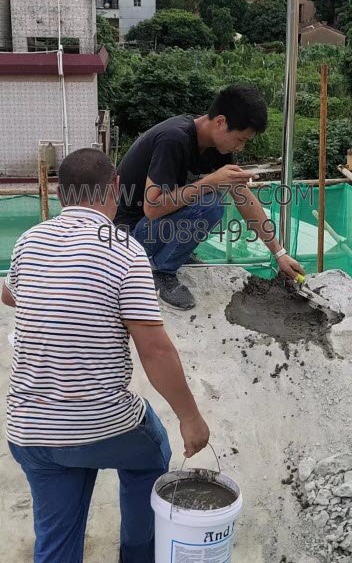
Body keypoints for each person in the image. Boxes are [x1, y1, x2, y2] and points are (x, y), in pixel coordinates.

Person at [2, 148, 210, 563]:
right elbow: (154, 350)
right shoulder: (124, 248)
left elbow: (10, 293)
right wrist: (191, 417)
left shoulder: (29, 240)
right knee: (152, 448)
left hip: (28, 431)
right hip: (101, 424)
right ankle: (137, 553)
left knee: (56, 541)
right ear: (115, 186)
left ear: (62, 193)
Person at [115, 83, 304, 310]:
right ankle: (162, 272)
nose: (241, 148)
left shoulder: (217, 147)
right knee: (210, 203)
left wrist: (279, 253)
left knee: (209, 198)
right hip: (128, 238)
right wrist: (210, 182)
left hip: (151, 230)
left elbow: (243, 196)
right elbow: (152, 207)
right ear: (220, 122)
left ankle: (174, 256)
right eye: (240, 139)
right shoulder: (173, 139)